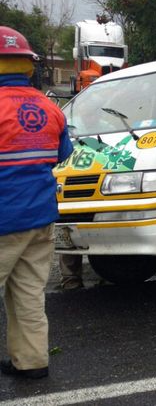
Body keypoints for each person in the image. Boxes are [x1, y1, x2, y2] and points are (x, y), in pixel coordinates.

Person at [0, 26, 73, 379]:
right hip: (40, 217)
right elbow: (61, 155)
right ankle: (31, 362)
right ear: (28, 65)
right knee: (29, 293)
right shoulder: (50, 108)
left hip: (3, 219)